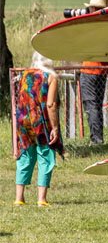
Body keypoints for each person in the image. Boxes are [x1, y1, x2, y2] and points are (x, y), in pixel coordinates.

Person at [14, 52, 63, 207]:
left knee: (25, 158)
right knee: (46, 157)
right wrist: (55, 127)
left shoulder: (24, 75)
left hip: (23, 122)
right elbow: (50, 104)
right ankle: (41, 199)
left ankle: (19, 198)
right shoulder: (50, 76)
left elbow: (19, 101)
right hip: (41, 123)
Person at [78, 0, 108, 144]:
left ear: (93, 9)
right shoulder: (107, 26)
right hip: (102, 69)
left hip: (90, 69)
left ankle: (96, 139)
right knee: (97, 104)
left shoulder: (92, 26)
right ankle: (98, 137)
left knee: (91, 105)